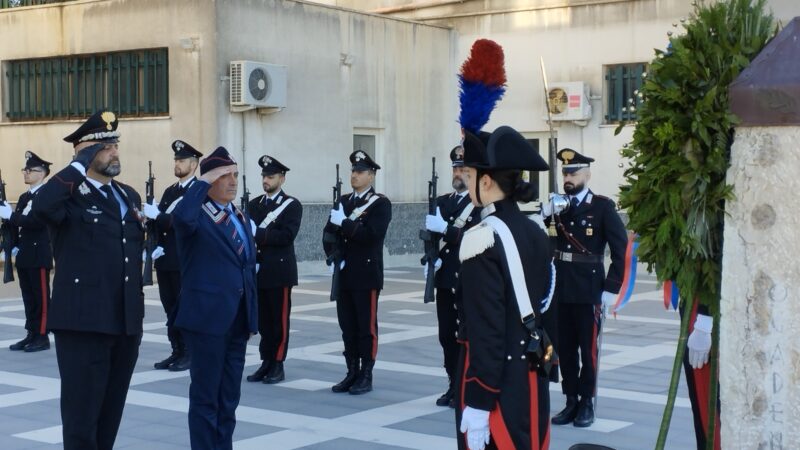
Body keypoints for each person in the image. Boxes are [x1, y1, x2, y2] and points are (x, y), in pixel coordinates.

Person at [33, 109, 145, 450]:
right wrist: (78, 165)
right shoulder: (68, 194)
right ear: (83, 152)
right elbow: (41, 208)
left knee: (109, 417)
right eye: (104, 145)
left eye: (115, 144)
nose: (114, 151)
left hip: (124, 321)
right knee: (82, 422)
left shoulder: (127, 195)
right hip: (83, 323)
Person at [456, 126, 553, 450]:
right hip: (530, 374)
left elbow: (487, 328)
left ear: (486, 181)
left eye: (469, 176)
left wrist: (480, 398)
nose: (465, 183)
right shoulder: (534, 230)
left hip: (496, 380)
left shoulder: (481, 238)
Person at [171, 146, 258, 450]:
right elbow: (180, 219)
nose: (233, 181)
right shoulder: (196, 216)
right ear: (209, 181)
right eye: (225, 176)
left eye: (235, 174)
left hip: (236, 320)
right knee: (206, 399)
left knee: (229, 398)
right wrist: (201, 182)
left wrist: (251, 317)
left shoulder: (239, 216)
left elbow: (247, 269)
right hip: (207, 321)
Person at [545, 148, 627, 428]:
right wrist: (544, 218)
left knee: (587, 351)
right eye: (565, 172)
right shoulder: (556, 206)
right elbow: (548, 246)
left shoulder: (602, 206)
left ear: (587, 174)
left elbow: (620, 249)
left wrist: (611, 287)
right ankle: (570, 401)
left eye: (573, 172)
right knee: (565, 349)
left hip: (589, 288)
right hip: (560, 288)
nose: (568, 177)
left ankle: (587, 402)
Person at [323, 150, 392, 395]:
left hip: (366, 274)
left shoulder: (380, 203)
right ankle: (351, 371)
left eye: (360, 172)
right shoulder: (343, 202)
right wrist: (331, 256)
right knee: (348, 326)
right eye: (353, 171)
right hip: (344, 274)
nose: (355, 175)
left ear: (371, 176)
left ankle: (366, 373)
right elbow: (328, 233)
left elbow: (371, 236)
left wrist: (345, 223)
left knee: (366, 327)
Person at [423, 145, 481, 407]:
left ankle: (467, 386)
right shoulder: (443, 202)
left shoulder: (479, 204)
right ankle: (452, 383)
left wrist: (446, 229)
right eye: (456, 169)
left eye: (463, 169)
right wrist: (429, 258)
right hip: (446, 278)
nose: (458, 173)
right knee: (446, 335)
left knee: (466, 336)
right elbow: (430, 237)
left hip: (469, 278)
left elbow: (476, 238)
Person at [143, 139, 203, 372]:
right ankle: (176, 350)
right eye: (176, 160)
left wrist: (158, 217)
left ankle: (189, 352)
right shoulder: (170, 190)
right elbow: (160, 225)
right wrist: (153, 232)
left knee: (184, 307)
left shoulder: (198, 191)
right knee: (170, 308)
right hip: (166, 259)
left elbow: (186, 223)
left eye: (182, 160)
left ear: (194, 164)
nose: (177, 164)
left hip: (185, 260)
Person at [246, 155, 302, 384]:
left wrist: (257, 234)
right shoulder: (254, 204)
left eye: (270, 176)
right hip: (259, 272)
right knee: (264, 322)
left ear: (282, 178)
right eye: (264, 176)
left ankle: (278, 363)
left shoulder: (291, 205)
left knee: (279, 321)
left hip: (279, 273)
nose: (266, 180)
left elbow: (286, 236)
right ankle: (266, 361)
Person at [1, 151, 54, 352]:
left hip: (38, 253)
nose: (25, 173)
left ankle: (42, 335)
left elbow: (36, 222)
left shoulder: (47, 195)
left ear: (42, 173)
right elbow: (15, 226)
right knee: (28, 297)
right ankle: (31, 333)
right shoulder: (25, 196)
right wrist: (12, 242)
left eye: (29, 170)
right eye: (25, 169)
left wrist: (11, 215)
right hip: (24, 253)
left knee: (41, 297)